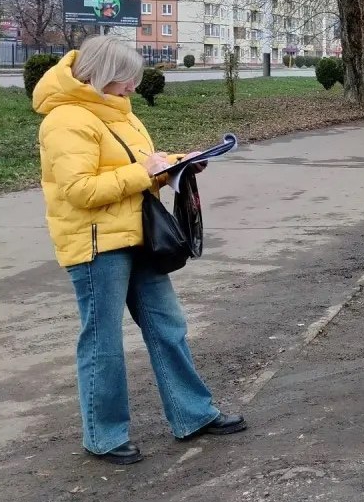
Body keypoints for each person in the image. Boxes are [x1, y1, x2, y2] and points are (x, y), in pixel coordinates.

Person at [33, 35, 246, 465]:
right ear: (101, 75)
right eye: (126, 79)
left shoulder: (121, 114)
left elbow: (139, 170)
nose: (133, 87)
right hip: (96, 245)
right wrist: (142, 171)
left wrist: (177, 166)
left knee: (168, 327)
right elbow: (80, 191)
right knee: (103, 342)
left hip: (140, 237)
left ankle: (193, 414)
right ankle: (104, 435)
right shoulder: (65, 120)